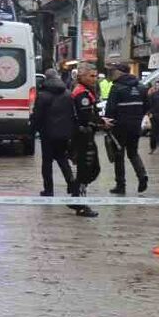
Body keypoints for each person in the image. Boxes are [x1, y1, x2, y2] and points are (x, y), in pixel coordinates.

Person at [69, 63, 109, 218]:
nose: (94, 79)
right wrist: (101, 123)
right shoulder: (81, 93)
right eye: (91, 76)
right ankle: (80, 203)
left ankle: (75, 196)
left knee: (91, 169)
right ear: (81, 76)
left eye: (95, 76)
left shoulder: (85, 91)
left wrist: (100, 120)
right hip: (83, 137)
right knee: (87, 170)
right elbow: (85, 118)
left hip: (86, 136)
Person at [31, 68, 76, 200]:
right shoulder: (68, 94)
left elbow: (37, 115)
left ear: (46, 79)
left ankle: (48, 189)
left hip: (47, 134)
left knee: (47, 162)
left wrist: (33, 130)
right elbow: (72, 115)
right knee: (62, 159)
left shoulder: (43, 95)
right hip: (64, 134)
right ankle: (72, 184)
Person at [104, 64, 148, 195]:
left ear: (121, 72)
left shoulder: (117, 88)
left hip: (119, 126)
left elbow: (110, 109)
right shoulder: (141, 87)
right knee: (133, 152)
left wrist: (108, 122)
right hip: (135, 125)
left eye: (114, 71)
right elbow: (146, 106)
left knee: (119, 155)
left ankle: (120, 184)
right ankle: (142, 176)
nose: (112, 73)